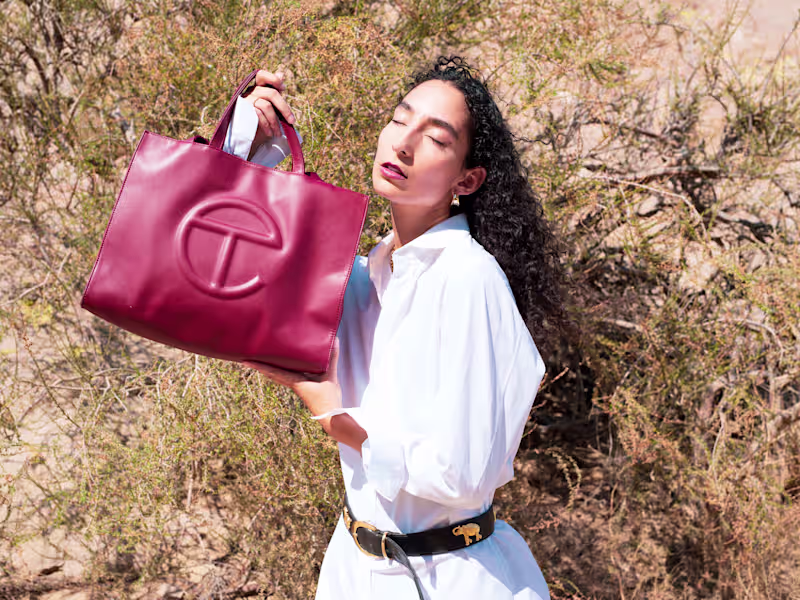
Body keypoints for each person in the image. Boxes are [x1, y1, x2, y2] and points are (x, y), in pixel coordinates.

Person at [223, 56, 566, 600]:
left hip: (450, 577)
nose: (403, 144)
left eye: (435, 138)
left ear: (467, 178)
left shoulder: (467, 277)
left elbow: (465, 474)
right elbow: (232, 267)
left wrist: (337, 417)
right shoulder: (361, 274)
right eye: (399, 119)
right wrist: (251, 142)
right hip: (354, 569)